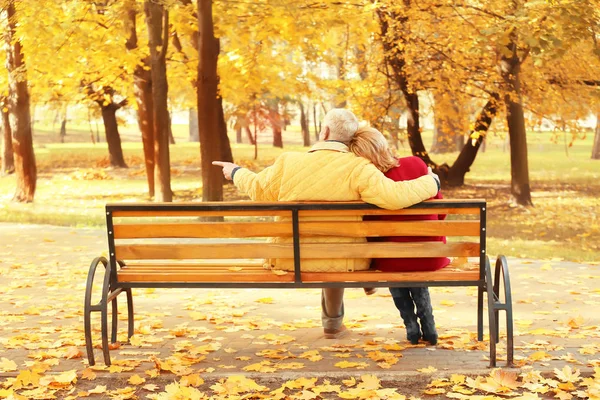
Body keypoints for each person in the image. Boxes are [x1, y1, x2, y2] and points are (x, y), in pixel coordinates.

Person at [213, 109, 441, 339]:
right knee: (335, 250)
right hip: (345, 260)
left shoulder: (288, 162)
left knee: (321, 247)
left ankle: (332, 322)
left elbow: (257, 188)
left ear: (324, 131)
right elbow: (394, 196)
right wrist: (431, 182)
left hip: (291, 259)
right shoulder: (359, 167)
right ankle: (334, 322)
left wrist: (236, 172)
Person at [348, 127, 450, 345]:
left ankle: (410, 325)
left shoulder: (370, 183)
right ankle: (429, 325)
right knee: (414, 261)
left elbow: (370, 230)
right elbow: (441, 211)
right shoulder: (416, 163)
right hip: (432, 256)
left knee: (394, 263)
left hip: (390, 260)